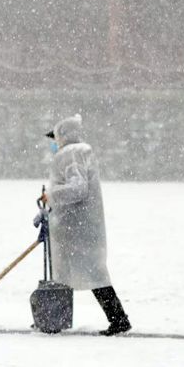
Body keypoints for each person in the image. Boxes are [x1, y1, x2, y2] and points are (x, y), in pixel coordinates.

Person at [41, 114, 131, 336]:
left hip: (77, 227)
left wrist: (51, 196)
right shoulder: (80, 152)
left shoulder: (71, 153)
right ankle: (54, 319)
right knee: (68, 273)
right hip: (76, 225)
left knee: (90, 273)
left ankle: (118, 319)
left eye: (55, 137)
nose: (54, 142)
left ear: (63, 135)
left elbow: (78, 188)